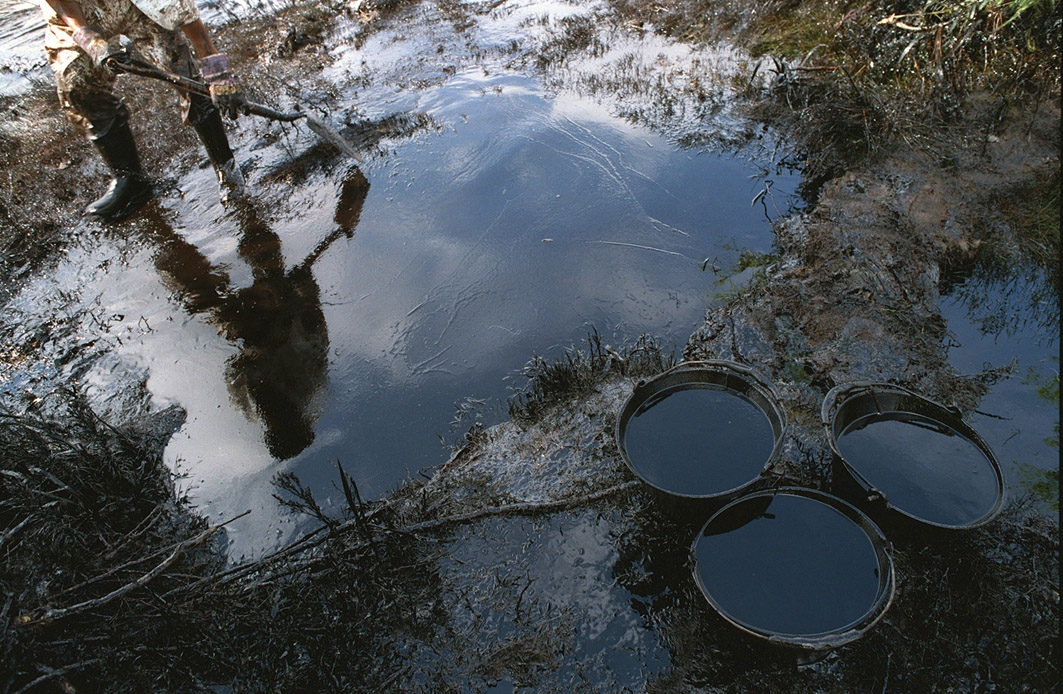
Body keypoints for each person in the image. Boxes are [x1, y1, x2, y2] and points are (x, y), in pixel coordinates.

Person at [39, 0, 247, 220]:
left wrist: (219, 75)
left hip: (134, 8)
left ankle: (225, 166)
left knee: (182, 72)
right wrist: (92, 43)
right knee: (77, 85)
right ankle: (130, 181)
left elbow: (185, 15)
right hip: (77, 16)